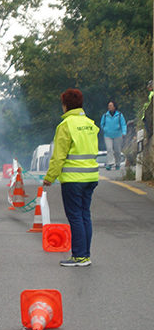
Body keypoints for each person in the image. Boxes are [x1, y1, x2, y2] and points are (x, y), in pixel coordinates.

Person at [43, 89, 100, 268]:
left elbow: (59, 156)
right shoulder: (90, 124)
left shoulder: (66, 125)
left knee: (75, 216)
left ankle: (79, 256)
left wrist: (49, 177)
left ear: (65, 105)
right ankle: (86, 254)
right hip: (91, 176)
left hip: (73, 179)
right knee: (85, 216)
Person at [100, 100, 127, 171]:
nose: (109, 107)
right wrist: (105, 129)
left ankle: (117, 163)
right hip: (108, 135)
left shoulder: (120, 115)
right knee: (109, 149)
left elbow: (123, 124)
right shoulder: (105, 115)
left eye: (111, 105)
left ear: (115, 107)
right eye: (109, 106)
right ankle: (110, 163)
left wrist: (124, 132)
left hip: (118, 135)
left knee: (117, 151)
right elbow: (102, 124)